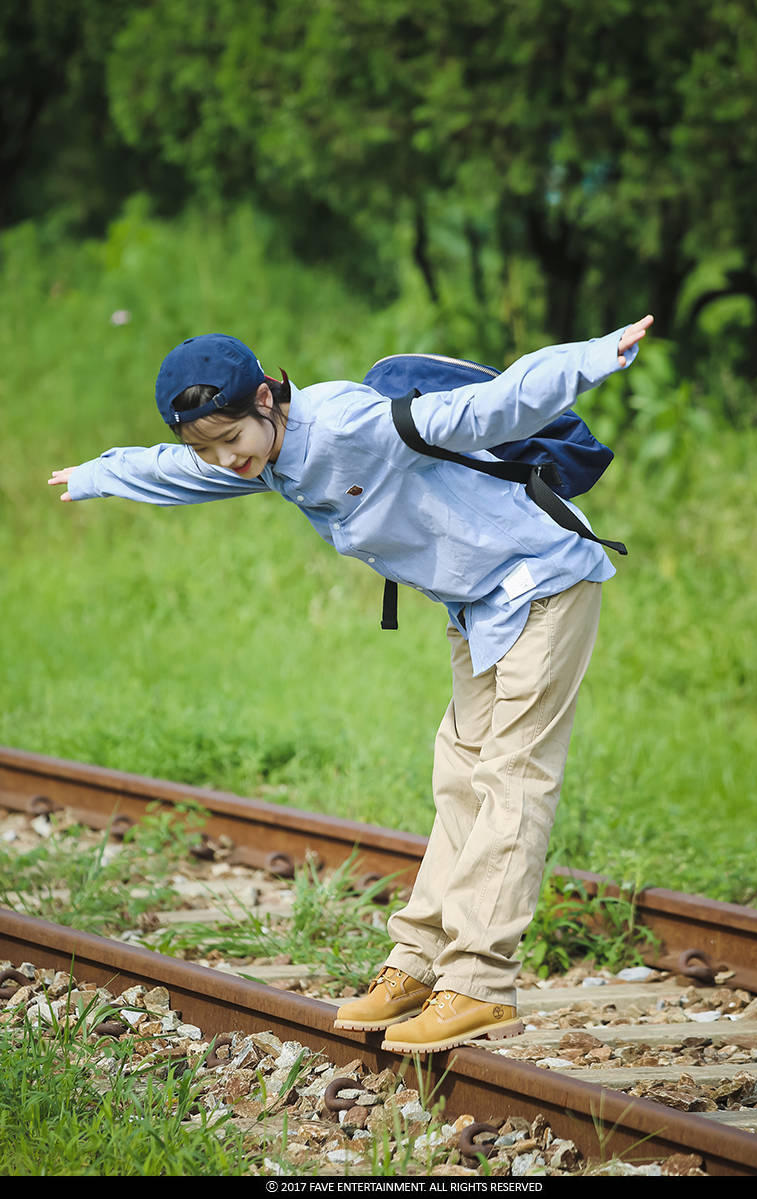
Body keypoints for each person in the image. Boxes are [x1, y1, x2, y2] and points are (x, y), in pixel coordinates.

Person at [49, 315, 654, 1054]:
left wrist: (588, 359)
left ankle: (481, 984)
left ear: (267, 399)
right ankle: (419, 965)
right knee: (460, 780)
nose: (224, 461)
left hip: (542, 581)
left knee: (512, 777)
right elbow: (177, 473)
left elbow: (486, 410)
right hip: (478, 603)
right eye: (207, 447)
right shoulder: (263, 456)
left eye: (230, 441)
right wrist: (96, 476)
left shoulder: (351, 425)